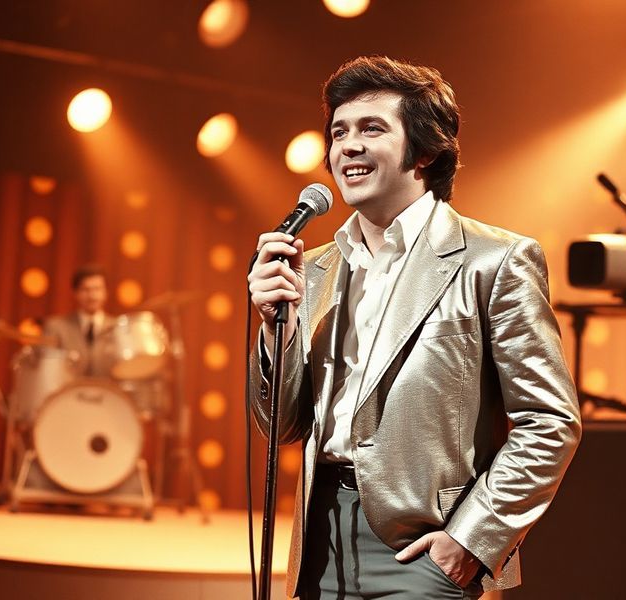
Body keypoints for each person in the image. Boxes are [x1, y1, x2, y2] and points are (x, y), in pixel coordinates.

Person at [248, 56, 581, 599]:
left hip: (424, 545)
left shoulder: (495, 260)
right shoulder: (314, 270)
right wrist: (273, 330)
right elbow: (282, 427)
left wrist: (471, 539)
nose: (347, 146)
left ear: (425, 150)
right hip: (319, 533)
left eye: (371, 129)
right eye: (338, 132)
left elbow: (550, 422)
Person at [42, 264, 115, 377]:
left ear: (106, 292)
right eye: (86, 290)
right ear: (75, 293)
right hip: (68, 392)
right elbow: (48, 369)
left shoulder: (117, 328)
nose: (92, 296)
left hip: (109, 392)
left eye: (97, 289)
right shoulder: (56, 326)